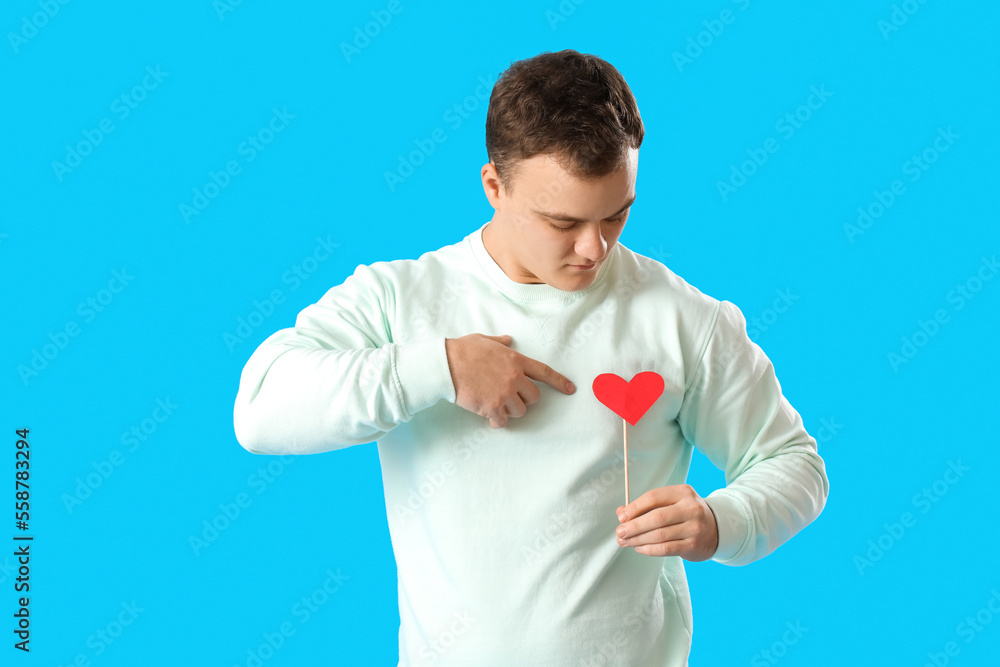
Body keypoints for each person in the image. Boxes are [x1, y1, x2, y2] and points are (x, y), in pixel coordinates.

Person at [233, 48, 829, 667]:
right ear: (493, 185)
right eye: (562, 221)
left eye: (617, 214)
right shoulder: (398, 299)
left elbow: (794, 464)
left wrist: (720, 519)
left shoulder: (685, 320)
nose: (594, 248)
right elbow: (260, 409)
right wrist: (440, 367)